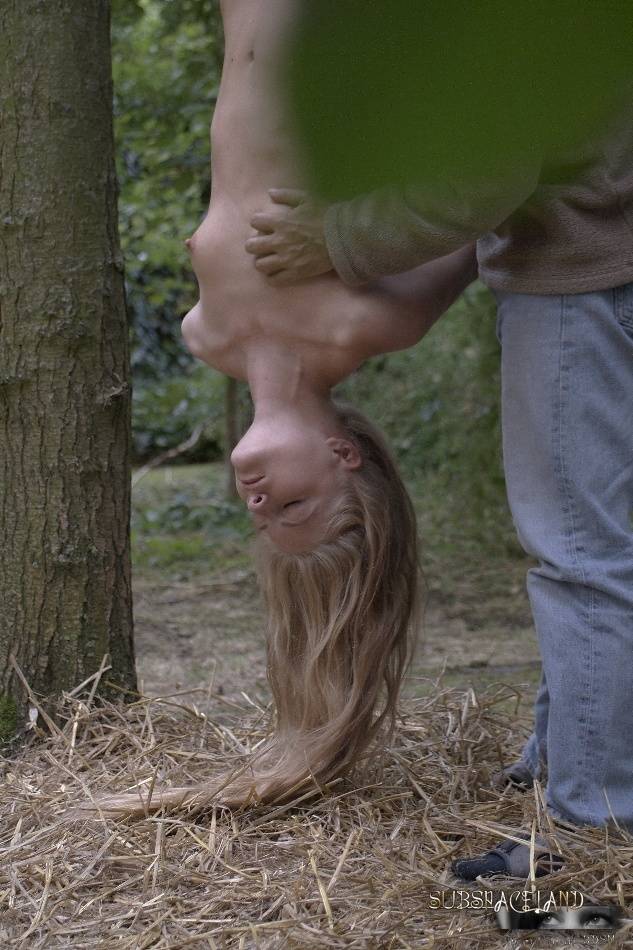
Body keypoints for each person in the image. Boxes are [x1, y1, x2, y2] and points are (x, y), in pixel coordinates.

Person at [93, 0, 477, 817]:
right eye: (294, 506)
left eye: (261, 521)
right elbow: (484, 221)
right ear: (346, 457)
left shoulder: (206, 337)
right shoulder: (368, 322)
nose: (260, 504)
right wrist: (347, 236)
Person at [245, 52, 633, 851]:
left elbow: (490, 170)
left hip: (584, 279)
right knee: (593, 548)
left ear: (341, 453)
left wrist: (343, 233)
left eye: (281, 507)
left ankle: (593, 826)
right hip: (599, 256)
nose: (255, 497)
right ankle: (567, 761)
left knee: (582, 555)